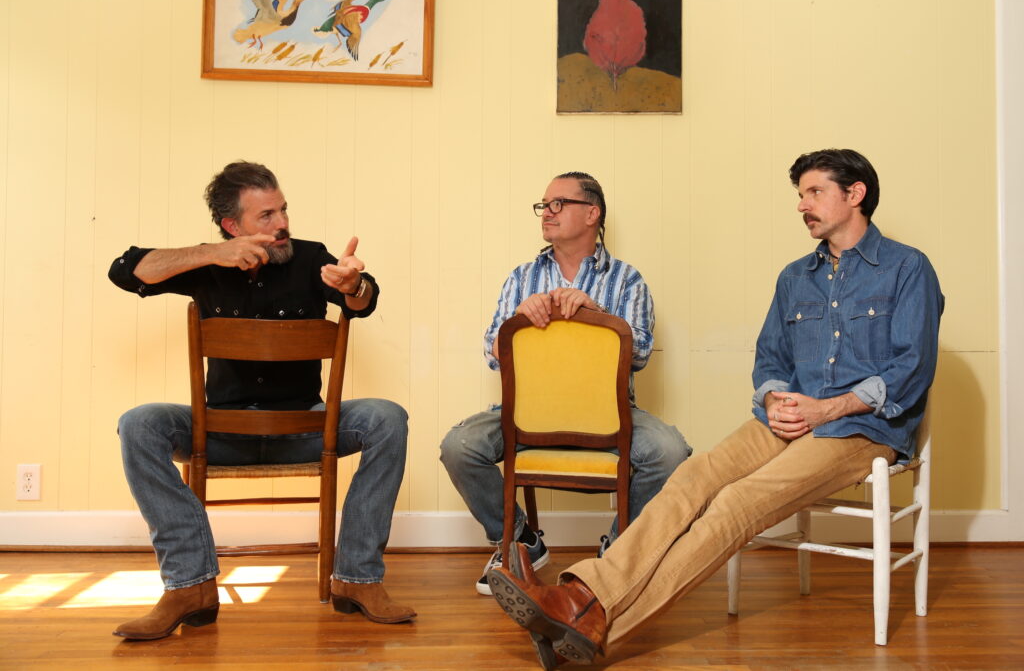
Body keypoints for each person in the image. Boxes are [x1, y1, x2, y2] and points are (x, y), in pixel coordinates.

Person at [486, 149, 944, 668]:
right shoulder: (796, 277)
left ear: (855, 193)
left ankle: (593, 623)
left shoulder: (908, 268)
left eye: (814, 192)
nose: (802, 205)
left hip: (860, 428)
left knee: (736, 502)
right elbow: (770, 359)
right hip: (786, 420)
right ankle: (580, 599)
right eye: (801, 195)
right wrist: (774, 398)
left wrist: (826, 410)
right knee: (693, 477)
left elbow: (912, 368)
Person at [109, 161, 415, 640]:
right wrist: (213, 253)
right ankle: (190, 586)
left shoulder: (310, 257)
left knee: (387, 418)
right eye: (267, 216)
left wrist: (355, 285)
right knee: (139, 423)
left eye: (283, 210)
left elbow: (364, 300)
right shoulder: (206, 265)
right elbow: (125, 270)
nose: (282, 223)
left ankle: (357, 579)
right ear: (233, 227)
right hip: (221, 433)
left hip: (305, 430)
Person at [440, 172, 692, 596]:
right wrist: (519, 320)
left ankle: (618, 551)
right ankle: (518, 542)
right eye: (544, 205)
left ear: (592, 213)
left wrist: (597, 316)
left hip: (611, 416)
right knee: (459, 447)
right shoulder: (521, 277)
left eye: (558, 203)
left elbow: (641, 354)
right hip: (525, 417)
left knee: (670, 453)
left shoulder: (627, 280)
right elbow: (492, 352)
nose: (547, 212)